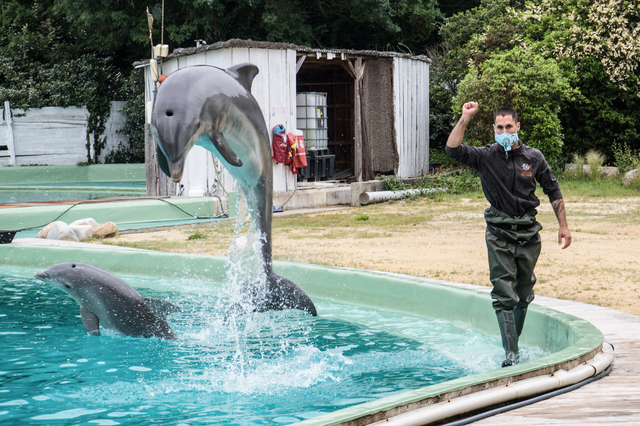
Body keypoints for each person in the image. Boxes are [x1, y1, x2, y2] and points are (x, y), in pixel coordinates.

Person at [446, 101, 572, 367]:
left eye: (509, 127)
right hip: (499, 233)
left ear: (518, 126)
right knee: (504, 293)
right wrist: (465, 118)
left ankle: (513, 343)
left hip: (528, 233)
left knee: (523, 293)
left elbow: (553, 190)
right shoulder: (485, 156)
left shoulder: (534, 158)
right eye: (500, 128)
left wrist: (564, 225)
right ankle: (511, 354)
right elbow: (453, 149)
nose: (505, 132)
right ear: (494, 129)